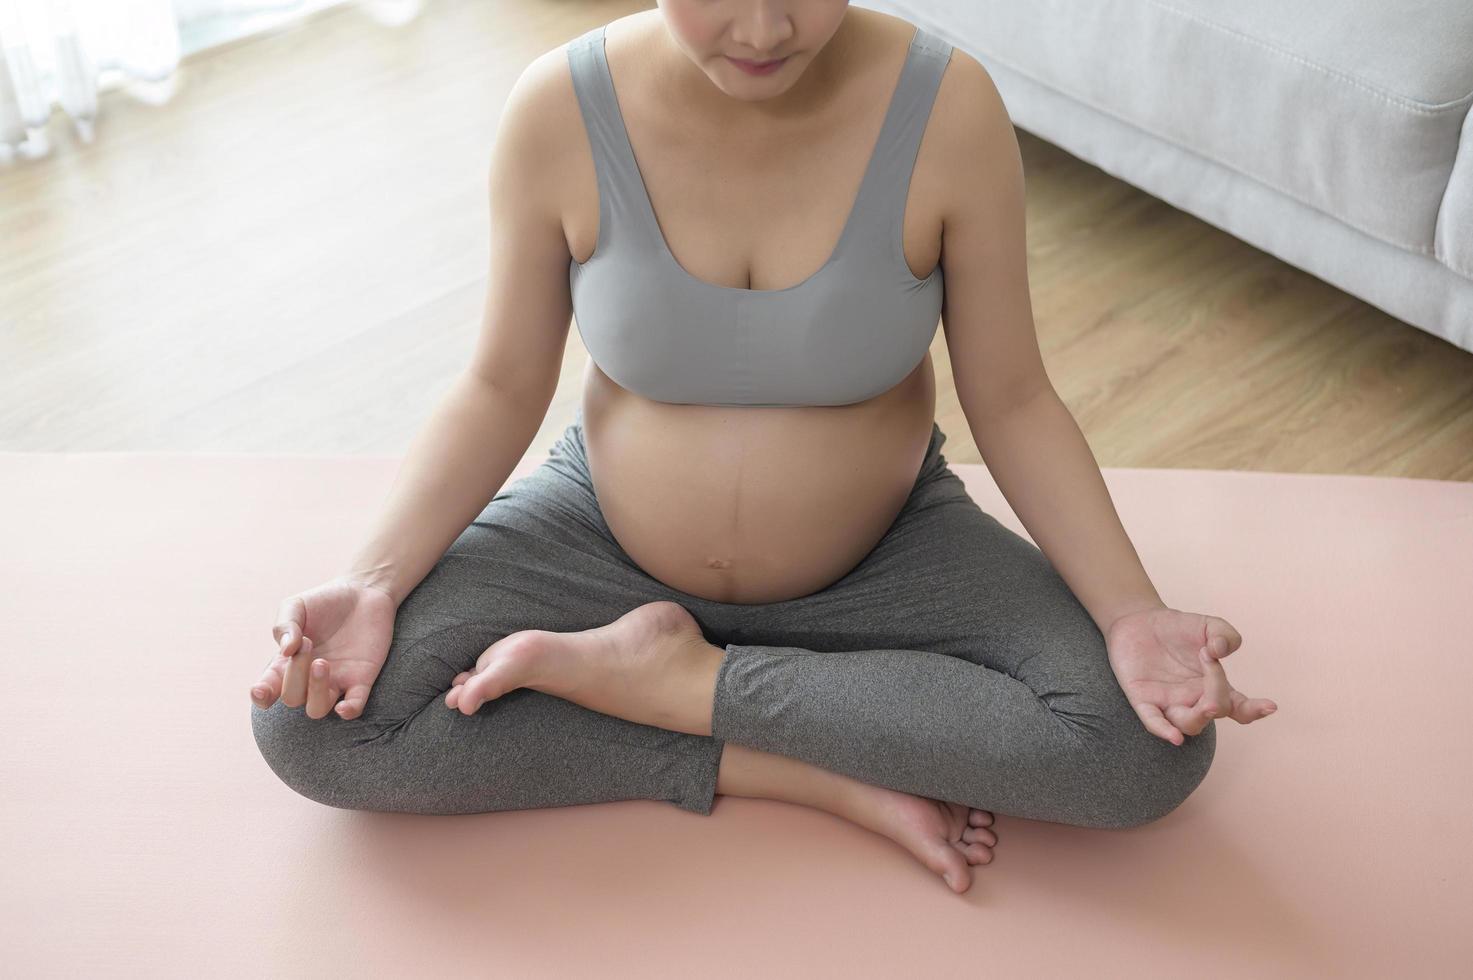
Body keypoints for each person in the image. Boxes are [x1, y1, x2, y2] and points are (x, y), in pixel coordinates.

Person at [249, 1, 1278, 895]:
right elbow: (499, 383)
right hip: (597, 537)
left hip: (888, 555)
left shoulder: (947, 107)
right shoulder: (558, 109)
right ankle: (797, 758)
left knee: (1141, 752)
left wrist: (1133, 612)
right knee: (314, 726)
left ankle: (680, 684)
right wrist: (372, 581)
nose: (764, 27)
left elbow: (1011, 395)